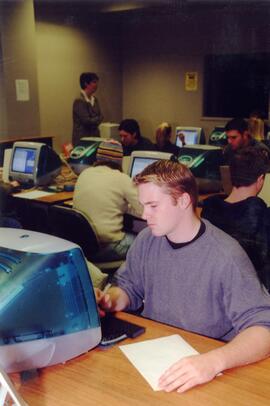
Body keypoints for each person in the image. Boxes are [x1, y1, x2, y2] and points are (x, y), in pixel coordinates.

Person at [96, 159, 270, 394]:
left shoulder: (225, 256)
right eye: (143, 205)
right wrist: (110, 299)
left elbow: (263, 329)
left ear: (184, 201)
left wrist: (213, 361)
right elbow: (129, 286)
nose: (144, 214)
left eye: (153, 206)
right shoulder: (148, 239)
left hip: (207, 361)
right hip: (155, 353)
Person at [201, 147, 270, 291]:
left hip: (212, 291)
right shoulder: (263, 218)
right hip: (253, 300)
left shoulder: (208, 211)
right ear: (260, 179)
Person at [73, 140, 142, 261]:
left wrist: (125, 206)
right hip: (107, 247)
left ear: (98, 157)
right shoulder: (122, 178)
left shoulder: (84, 174)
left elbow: (109, 203)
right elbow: (145, 210)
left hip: (83, 245)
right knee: (147, 243)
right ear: (119, 161)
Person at [72, 72, 103, 146]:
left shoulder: (95, 99)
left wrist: (95, 119)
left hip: (95, 139)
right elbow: (86, 121)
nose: (96, 85)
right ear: (86, 83)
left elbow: (101, 116)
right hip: (82, 140)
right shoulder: (79, 100)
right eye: (94, 82)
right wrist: (97, 119)